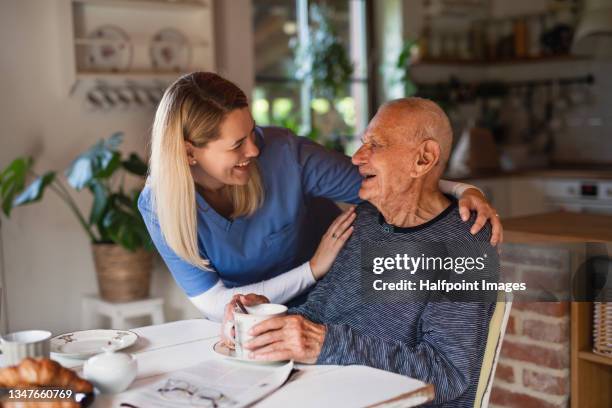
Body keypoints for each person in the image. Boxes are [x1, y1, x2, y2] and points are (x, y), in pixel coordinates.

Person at [138, 72, 503, 322]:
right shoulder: (160, 205)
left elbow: (387, 181)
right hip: (257, 320)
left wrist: (463, 190)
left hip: (335, 307)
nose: (254, 147)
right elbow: (217, 306)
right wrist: (312, 268)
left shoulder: (283, 153)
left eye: (252, 131)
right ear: (189, 153)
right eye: (237, 144)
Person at [236, 98, 496, 407]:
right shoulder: (367, 219)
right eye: (362, 144)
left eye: (376, 145)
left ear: (424, 159)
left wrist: (327, 344)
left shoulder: (462, 246)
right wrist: (266, 322)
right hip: (329, 392)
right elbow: (319, 314)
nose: (357, 158)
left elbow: (447, 374)